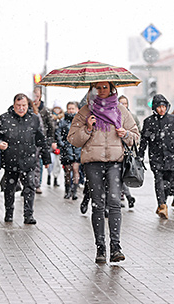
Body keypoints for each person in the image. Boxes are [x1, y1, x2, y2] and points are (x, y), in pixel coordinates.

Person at [68, 81, 139, 264]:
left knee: (115, 202)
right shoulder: (85, 111)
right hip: (93, 163)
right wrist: (88, 128)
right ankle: (100, 247)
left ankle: (116, 247)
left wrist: (126, 135)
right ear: (92, 90)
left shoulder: (121, 110)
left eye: (104, 87)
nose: (101, 91)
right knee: (98, 205)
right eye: (97, 88)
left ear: (112, 89)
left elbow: (135, 136)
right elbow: (73, 139)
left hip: (115, 162)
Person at [0, 93, 51, 225]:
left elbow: (40, 139)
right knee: (9, 189)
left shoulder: (33, 119)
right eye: (18, 105)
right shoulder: (4, 118)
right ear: (14, 105)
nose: (21, 108)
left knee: (29, 187)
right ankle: (9, 213)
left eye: (24, 105)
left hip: (28, 160)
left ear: (28, 105)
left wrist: (46, 158)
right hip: (11, 161)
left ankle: (28, 215)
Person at [138, 94, 174, 220]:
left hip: (171, 156)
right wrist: (140, 156)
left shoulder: (172, 120)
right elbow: (144, 141)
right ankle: (162, 204)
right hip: (156, 157)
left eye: (164, 107)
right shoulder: (149, 122)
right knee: (159, 180)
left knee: (168, 182)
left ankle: (163, 203)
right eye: (159, 107)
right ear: (154, 108)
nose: (162, 109)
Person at [55, 101, 81, 200]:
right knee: (67, 170)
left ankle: (74, 191)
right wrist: (62, 144)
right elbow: (58, 133)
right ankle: (67, 190)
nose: (70, 110)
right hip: (66, 149)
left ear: (76, 109)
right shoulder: (62, 121)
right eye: (69, 108)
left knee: (75, 169)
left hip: (77, 148)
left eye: (72, 108)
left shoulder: (80, 121)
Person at [118, 95, 139, 209]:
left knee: (125, 175)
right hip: (117, 150)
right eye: (121, 103)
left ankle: (126, 196)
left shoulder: (133, 116)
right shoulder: (114, 115)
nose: (123, 105)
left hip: (128, 150)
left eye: (125, 103)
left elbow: (137, 132)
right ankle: (127, 196)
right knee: (119, 176)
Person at [33, 86, 54, 193]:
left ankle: (37, 184)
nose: (35, 98)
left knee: (39, 162)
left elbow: (51, 126)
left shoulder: (45, 110)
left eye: (37, 96)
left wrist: (50, 141)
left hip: (42, 139)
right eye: (34, 95)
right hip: (32, 140)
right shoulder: (29, 108)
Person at [48, 102, 64, 187]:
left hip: (59, 144)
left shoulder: (63, 120)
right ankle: (49, 175)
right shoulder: (50, 119)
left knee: (57, 163)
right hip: (51, 144)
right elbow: (49, 132)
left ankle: (55, 178)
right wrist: (51, 142)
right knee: (51, 162)